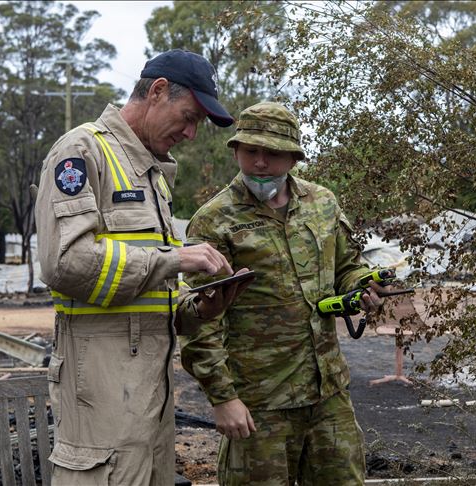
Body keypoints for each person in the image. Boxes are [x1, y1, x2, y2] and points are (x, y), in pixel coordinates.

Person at [34, 49, 252, 486]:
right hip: (100, 389)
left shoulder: (152, 175)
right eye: (188, 117)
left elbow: (149, 290)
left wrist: (198, 307)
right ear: (157, 92)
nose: (190, 134)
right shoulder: (81, 151)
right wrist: (174, 258)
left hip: (150, 394)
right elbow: (65, 262)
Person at [180, 102, 386, 485]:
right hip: (259, 404)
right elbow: (199, 318)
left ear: (293, 157)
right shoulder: (214, 220)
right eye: (250, 151)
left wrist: (362, 286)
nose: (260, 162)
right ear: (236, 150)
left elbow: (347, 267)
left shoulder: (322, 203)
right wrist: (223, 398)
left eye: (272, 153)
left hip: (328, 396)